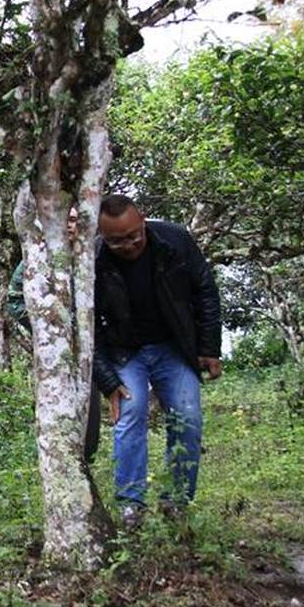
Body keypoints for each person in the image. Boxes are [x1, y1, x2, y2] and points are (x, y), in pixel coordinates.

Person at [93, 195, 222, 523]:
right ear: (100, 234)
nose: (128, 244)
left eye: (134, 234)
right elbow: (85, 328)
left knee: (187, 417)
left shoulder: (175, 239)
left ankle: (176, 503)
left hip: (173, 346)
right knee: (129, 413)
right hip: (125, 353)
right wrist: (108, 382)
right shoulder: (91, 258)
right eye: (116, 240)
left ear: (144, 220)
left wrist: (209, 348)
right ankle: (131, 505)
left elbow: (204, 289)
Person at [7, 208, 101, 467]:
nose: (70, 226)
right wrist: (45, 325)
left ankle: (87, 462)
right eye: (65, 220)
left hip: (86, 348)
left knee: (89, 405)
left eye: (74, 221)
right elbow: (14, 300)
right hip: (52, 347)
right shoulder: (36, 256)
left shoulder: (92, 255)